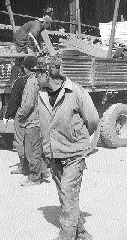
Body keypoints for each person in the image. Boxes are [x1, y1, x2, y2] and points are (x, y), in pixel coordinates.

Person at [32, 55, 99, 240]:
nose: (35, 78)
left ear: (47, 74)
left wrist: (78, 138)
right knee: (66, 196)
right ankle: (81, 232)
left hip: (74, 154)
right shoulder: (41, 94)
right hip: (54, 154)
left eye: (37, 73)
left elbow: (92, 119)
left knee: (68, 193)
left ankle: (66, 236)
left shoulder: (75, 91)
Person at [16, 58, 50, 187]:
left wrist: (20, 115)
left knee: (31, 152)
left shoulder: (31, 82)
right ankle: (44, 171)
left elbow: (28, 103)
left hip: (32, 121)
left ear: (26, 68)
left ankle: (35, 178)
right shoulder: (42, 81)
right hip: (41, 119)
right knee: (38, 148)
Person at [4, 56, 38, 175]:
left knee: (20, 142)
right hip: (38, 117)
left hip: (24, 117)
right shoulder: (41, 80)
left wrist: (10, 115)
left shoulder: (22, 82)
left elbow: (14, 101)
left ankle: (24, 168)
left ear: (24, 68)